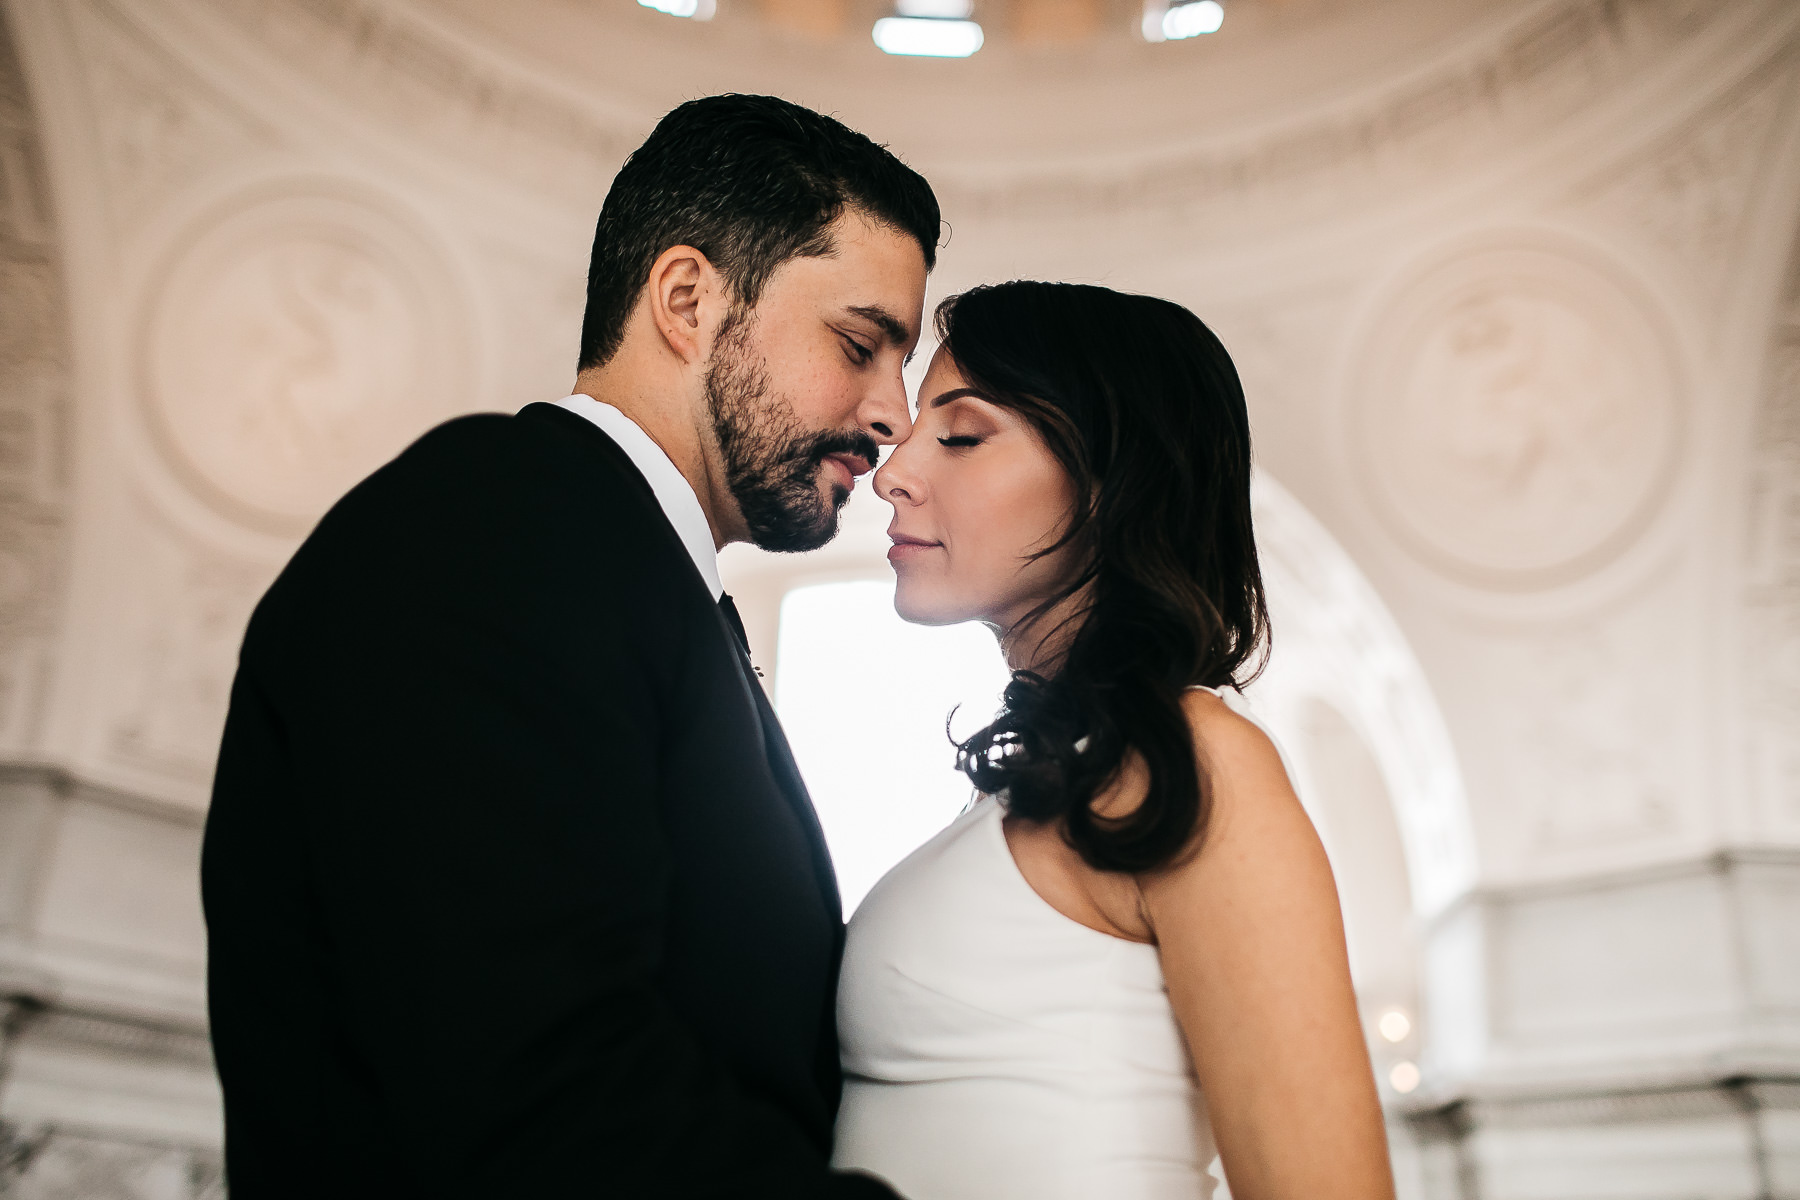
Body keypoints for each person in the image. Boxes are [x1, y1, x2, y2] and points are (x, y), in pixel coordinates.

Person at [202, 94, 936, 1197]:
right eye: (859, 344)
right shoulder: (490, 523)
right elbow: (531, 1085)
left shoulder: (622, 568)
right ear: (687, 300)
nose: (894, 415)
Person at [833, 281, 1396, 1199]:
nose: (892, 471)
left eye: (963, 435)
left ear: (1111, 480)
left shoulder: (1192, 759)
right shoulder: (1042, 779)